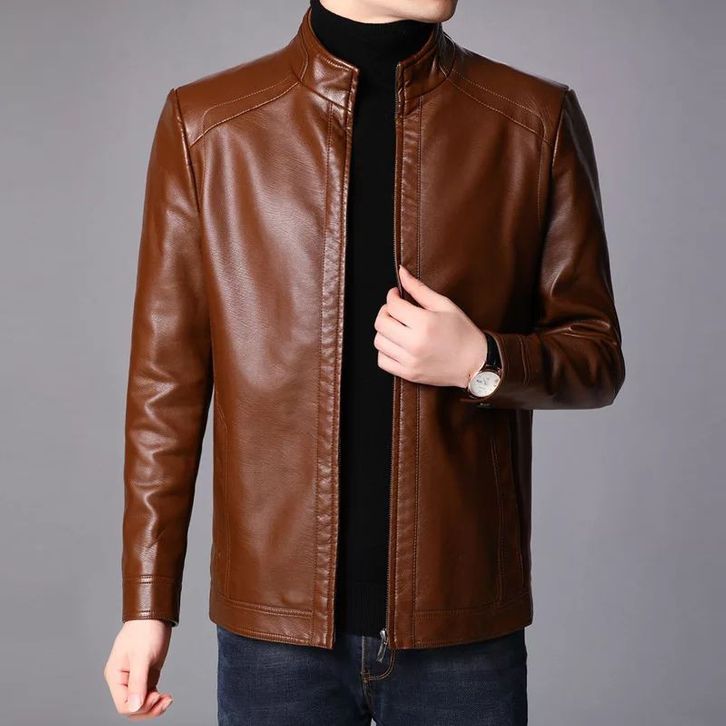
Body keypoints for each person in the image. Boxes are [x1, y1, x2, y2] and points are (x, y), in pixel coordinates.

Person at [103, 0, 626, 723]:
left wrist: (482, 360)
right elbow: (166, 388)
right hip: (274, 637)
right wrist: (147, 603)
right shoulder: (209, 126)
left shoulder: (533, 120)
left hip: (462, 625)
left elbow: (596, 353)